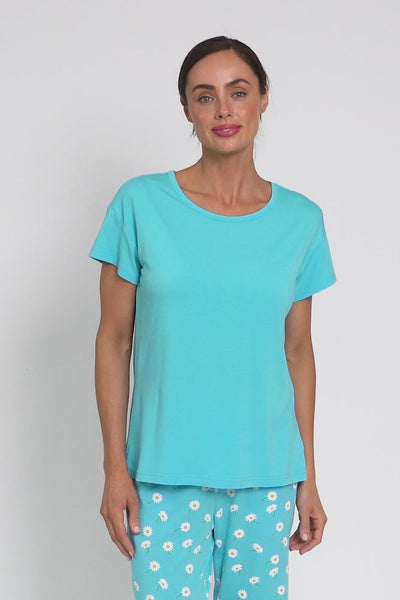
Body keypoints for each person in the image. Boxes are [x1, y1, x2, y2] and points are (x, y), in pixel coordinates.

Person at [89, 35, 337, 600]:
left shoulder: (301, 220)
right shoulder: (140, 205)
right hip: (162, 476)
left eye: (238, 92)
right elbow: (114, 342)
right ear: (187, 110)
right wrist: (114, 469)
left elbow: (298, 352)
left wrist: (309, 479)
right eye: (205, 96)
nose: (224, 110)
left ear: (264, 98)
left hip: (267, 477)